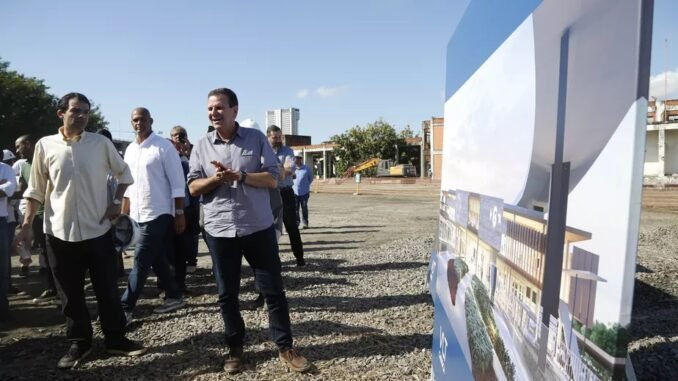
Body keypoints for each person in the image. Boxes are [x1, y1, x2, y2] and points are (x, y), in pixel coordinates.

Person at [14, 93, 146, 368]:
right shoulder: (45, 146)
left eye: (86, 112)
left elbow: (124, 174)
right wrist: (26, 224)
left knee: (107, 289)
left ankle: (115, 339)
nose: (82, 116)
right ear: (60, 113)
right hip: (58, 232)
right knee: (69, 293)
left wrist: (114, 203)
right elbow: (36, 189)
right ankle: (80, 343)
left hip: (97, 230)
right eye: (76, 111)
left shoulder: (100, 144)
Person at [188, 88, 311, 374]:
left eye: (219, 108)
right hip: (219, 230)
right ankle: (235, 347)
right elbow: (193, 187)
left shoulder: (255, 140)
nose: (213, 113)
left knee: (273, 291)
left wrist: (241, 176)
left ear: (234, 110)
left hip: (257, 227)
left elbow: (274, 176)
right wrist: (216, 179)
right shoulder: (201, 145)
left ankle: (285, 346)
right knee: (226, 294)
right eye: (210, 109)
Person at [120, 108, 187, 322]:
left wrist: (179, 212)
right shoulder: (130, 150)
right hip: (137, 214)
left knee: (140, 260)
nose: (138, 123)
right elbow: (128, 185)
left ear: (151, 121)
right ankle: (174, 295)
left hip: (158, 212)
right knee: (156, 257)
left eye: (142, 119)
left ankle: (124, 308)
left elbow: (178, 183)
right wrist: (124, 213)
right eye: (134, 120)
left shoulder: (164, 147)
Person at [14, 135, 58, 300]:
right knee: (46, 252)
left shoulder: (47, 161)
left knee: (61, 251)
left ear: (28, 144)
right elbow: (24, 192)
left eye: (19, 146)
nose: (17, 151)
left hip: (56, 214)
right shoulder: (24, 167)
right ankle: (52, 288)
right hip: (38, 217)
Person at [266, 125, 305, 266]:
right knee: (269, 228)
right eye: (274, 137)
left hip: (286, 193)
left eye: (279, 137)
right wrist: (280, 170)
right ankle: (272, 260)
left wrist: (275, 170)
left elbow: (290, 169)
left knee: (291, 227)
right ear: (268, 137)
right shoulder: (263, 151)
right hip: (269, 194)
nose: (278, 140)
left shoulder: (288, 151)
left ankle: (300, 258)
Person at [169, 126, 200, 276]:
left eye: (180, 135)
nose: (177, 138)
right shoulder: (168, 153)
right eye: (174, 135)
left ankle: (192, 260)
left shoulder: (194, 152)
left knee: (192, 232)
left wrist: (189, 153)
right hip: (178, 201)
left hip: (193, 200)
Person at [0, 159, 17, 322]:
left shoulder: (5, 169)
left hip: (1, 222)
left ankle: (2, 308)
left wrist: (3, 188)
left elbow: (8, 190)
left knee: (2, 268)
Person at [292, 156, 313, 229]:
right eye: (294, 158)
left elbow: (310, 179)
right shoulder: (292, 169)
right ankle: (297, 223)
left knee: (304, 208)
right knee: (295, 209)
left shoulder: (307, 168)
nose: (295, 160)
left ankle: (305, 223)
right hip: (294, 192)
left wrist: (305, 186)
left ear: (300, 159)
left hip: (304, 192)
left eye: (297, 158)